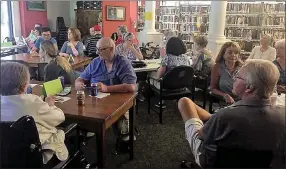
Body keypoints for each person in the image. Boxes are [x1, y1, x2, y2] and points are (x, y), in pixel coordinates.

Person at [178, 59, 285, 168]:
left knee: (184, 102)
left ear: (249, 88)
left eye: (237, 77)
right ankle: (211, 118)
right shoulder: (283, 115)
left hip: (212, 161)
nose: (233, 79)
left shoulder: (225, 116)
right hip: (265, 163)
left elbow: (201, 136)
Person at [0, 62, 68, 164]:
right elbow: (59, 118)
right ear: (24, 85)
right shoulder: (32, 102)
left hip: (5, 158)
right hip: (32, 157)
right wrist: (50, 105)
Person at [75, 37, 136, 141]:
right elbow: (79, 80)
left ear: (111, 49)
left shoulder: (122, 62)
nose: (97, 52)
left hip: (117, 103)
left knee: (123, 132)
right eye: (97, 49)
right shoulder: (95, 62)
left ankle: (125, 137)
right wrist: (79, 83)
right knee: (81, 116)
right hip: (95, 101)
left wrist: (106, 88)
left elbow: (131, 87)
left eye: (100, 49)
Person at [150, 37, 192, 107]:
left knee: (152, 75)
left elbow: (159, 75)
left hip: (168, 88)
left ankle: (159, 101)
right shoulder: (186, 57)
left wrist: (155, 75)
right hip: (182, 86)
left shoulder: (167, 58)